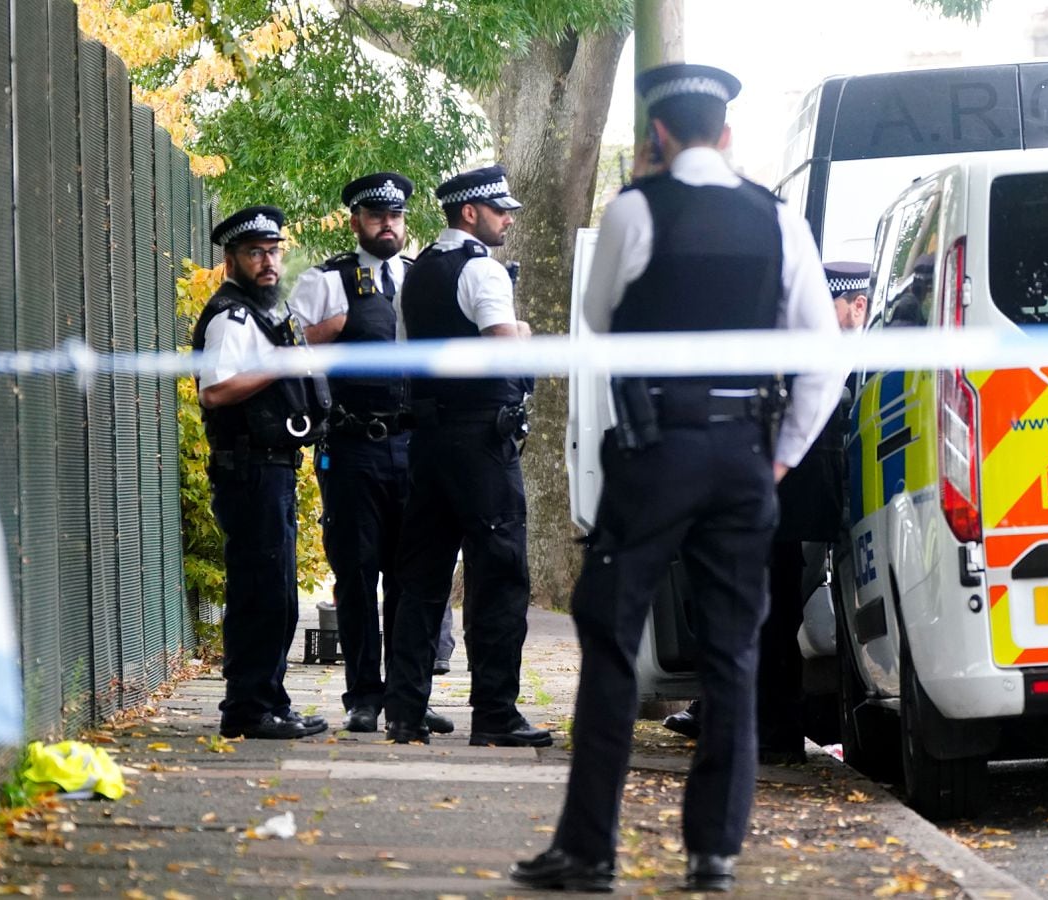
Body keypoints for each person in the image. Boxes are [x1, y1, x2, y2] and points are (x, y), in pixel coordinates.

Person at [510, 64, 844, 893]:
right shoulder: (777, 219)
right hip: (742, 458)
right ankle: (714, 853)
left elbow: (596, 320)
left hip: (655, 456)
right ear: (726, 135)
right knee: (733, 654)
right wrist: (778, 456)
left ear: (656, 136)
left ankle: (589, 850)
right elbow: (823, 359)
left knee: (613, 643)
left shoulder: (635, 209)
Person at [663, 262, 868, 760]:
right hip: (790, 505)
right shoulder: (819, 347)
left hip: (783, 503)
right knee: (773, 617)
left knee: (768, 616)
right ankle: (765, 729)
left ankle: (758, 727)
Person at [382, 165, 550, 749]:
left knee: (421, 579)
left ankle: (404, 711)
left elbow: (407, 358)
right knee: (499, 576)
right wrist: (524, 333)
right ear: (470, 213)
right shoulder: (482, 270)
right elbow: (503, 350)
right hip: (482, 442)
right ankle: (495, 714)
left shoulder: (418, 272)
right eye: (500, 209)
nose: (509, 218)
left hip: (428, 444)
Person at [288, 173, 454, 737]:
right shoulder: (327, 281)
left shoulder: (419, 279)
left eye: (397, 215)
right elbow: (286, 354)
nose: (389, 224)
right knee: (356, 573)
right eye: (377, 215)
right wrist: (324, 336)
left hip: (415, 446)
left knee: (413, 576)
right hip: (353, 446)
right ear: (356, 221)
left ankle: (410, 695)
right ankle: (363, 695)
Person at [192, 205, 331, 740]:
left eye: (274, 252)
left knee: (277, 592)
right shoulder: (232, 317)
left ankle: (270, 701)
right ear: (231, 260)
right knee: (260, 593)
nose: (269, 262)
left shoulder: (266, 314)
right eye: (256, 253)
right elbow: (215, 390)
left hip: (271, 467)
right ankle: (247, 709)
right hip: (247, 469)